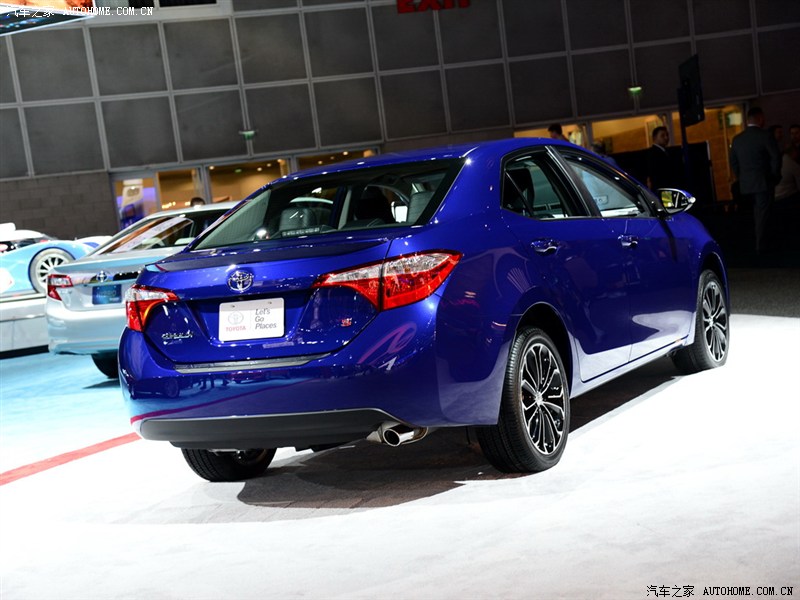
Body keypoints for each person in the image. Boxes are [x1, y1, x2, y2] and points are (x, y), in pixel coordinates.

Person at [729, 107, 782, 255]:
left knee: (751, 214)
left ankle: (751, 244)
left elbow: (733, 162)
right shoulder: (765, 136)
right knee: (762, 215)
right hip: (763, 183)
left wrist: (741, 177)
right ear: (760, 118)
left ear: (747, 120)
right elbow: (775, 158)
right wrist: (774, 176)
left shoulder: (737, 139)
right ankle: (761, 246)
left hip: (745, 185)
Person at [645, 126, 681, 191]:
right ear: (655, 138)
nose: (666, 138)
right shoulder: (654, 153)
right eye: (662, 136)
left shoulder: (664, 151)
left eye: (667, 135)